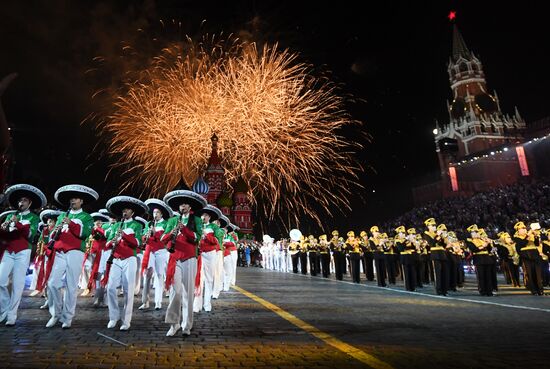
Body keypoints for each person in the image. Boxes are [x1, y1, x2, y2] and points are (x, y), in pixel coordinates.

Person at [45, 184, 97, 328]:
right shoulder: (62, 215)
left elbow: (84, 234)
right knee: (52, 283)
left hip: (75, 252)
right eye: (71, 199)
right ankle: (56, 313)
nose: (72, 201)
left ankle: (67, 318)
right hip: (60, 252)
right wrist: (55, 231)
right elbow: (53, 236)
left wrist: (71, 223)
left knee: (71, 285)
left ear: (81, 201)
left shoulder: (86, 217)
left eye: (75, 199)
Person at [0, 184, 45, 326]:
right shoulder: (10, 216)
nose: (21, 203)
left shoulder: (34, 217)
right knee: (1, 280)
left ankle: (12, 314)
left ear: (30, 203)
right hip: (8, 250)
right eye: (20, 200)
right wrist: (4, 227)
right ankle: (4, 310)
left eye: (24, 200)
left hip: (23, 251)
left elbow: (30, 235)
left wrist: (17, 224)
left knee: (18, 284)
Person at [162, 189, 205, 337]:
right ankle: (174, 324)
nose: (183, 207)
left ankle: (187, 325)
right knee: (176, 292)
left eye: (186, 204)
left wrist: (184, 230)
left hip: (190, 258)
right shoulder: (172, 220)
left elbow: (197, 238)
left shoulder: (197, 220)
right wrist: (171, 232)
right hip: (175, 259)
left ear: (190, 207)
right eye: (181, 205)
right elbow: (163, 239)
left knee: (188, 293)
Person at [103, 196, 146, 330]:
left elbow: (137, 243)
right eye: (123, 210)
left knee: (128, 290)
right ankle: (113, 317)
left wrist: (125, 236)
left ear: (132, 212)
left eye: (127, 210)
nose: (124, 212)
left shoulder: (137, 225)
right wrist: (113, 241)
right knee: (110, 288)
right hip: (115, 258)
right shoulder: (116, 225)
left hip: (129, 258)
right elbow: (107, 243)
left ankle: (126, 320)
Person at [139, 199, 172, 311]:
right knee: (146, 275)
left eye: (157, 212)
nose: (155, 214)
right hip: (149, 251)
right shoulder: (149, 223)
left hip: (161, 251)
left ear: (161, 213)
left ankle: (158, 301)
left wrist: (155, 233)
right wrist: (146, 236)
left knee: (159, 275)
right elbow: (143, 237)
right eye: (154, 213)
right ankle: (145, 302)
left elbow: (165, 238)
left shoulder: (166, 223)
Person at [194, 205, 223, 313]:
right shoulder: (197, 226)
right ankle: (197, 304)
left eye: (205, 215)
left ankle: (207, 304)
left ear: (209, 217)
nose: (203, 217)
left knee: (209, 279)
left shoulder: (214, 227)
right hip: (199, 254)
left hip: (210, 254)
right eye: (202, 215)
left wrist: (206, 236)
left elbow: (216, 241)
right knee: (198, 279)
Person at [513, 221, 543, 295]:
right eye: (521, 229)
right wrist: (527, 236)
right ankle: (534, 290)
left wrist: (536, 236)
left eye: (524, 228)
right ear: (518, 231)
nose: (524, 230)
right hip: (526, 257)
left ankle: (540, 289)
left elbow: (536, 244)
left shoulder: (530, 235)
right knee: (530, 274)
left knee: (538, 274)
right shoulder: (517, 238)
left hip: (535, 256)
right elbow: (522, 244)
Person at [465, 224, 495, 296]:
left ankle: (489, 291)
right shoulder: (470, 241)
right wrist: (483, 246)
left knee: (488, 276)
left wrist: (489, 244)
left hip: (487, 258)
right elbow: (473, 249)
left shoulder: (482, 239)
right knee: (481, 276)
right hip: (478, 258)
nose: (476, 233)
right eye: (474, 232)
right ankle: (482, 291)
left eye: (476, 231)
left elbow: (489, 249)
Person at [422, 219, 448, 296]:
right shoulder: (426, 234)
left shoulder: (437, 233)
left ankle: (444, 289)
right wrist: (438, 236)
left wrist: (443, 238)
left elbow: (443, 245)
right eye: (432, 225)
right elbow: (432, 243)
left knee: (444, 272)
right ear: (428, 226)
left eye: (435, 225)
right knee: (438, 273)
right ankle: (439, 290)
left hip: (442, 254)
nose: (434, 227)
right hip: (435, 254)